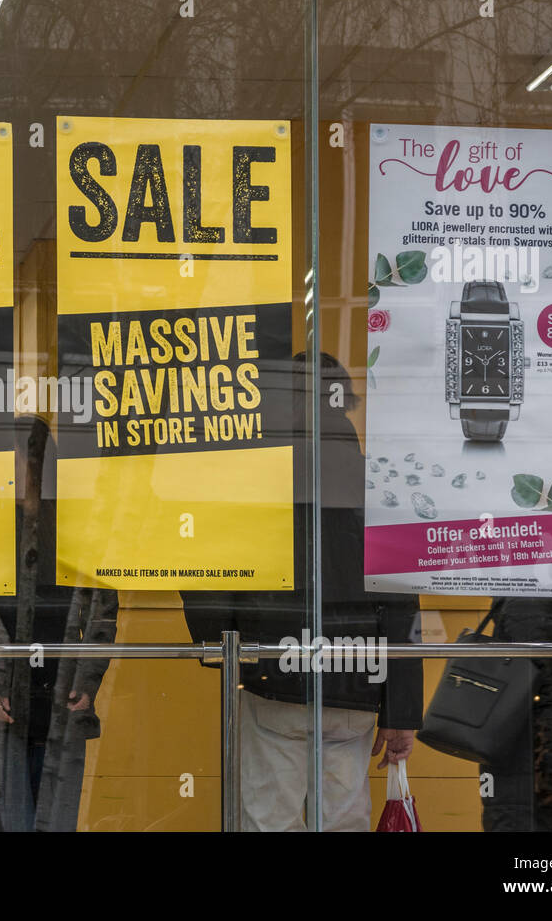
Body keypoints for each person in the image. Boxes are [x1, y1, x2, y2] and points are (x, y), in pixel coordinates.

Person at [182, 352, 423, 831]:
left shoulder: (257, 471)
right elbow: (401, 602)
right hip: (355, 676)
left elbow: (210, 564)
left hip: (275, 670)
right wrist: (401, 710)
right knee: (342, 817)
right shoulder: (374, 479)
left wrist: (224, 644)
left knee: (270, 816)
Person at [0, 416, 118, 832]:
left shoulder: (74, 529)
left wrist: (87, 682)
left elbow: (103, 613)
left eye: (20, 458)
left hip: (60, 704)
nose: (12, 469)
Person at [478, 595, 552, 832]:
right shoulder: (530, 596)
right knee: (537, 817)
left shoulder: (549, 593)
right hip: (538, 729)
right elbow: (531, 670)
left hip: (550, 725)